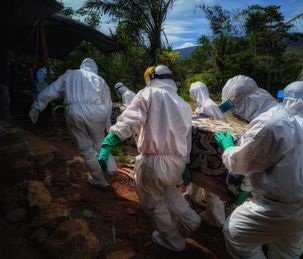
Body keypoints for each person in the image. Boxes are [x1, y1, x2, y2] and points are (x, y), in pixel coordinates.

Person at [214, 75, 303, 258]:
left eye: (232, 107)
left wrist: (228, 147)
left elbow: (239, 164)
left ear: (243, 103)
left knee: (235, 233)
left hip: (282, 209)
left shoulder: (269, 123)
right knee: (287, 250)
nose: (236, 114)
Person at [98, 65, 201, 251]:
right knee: (169, 191)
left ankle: (171, 240)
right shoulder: (184, 104)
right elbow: (187, 138)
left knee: (153, 203)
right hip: (176, 163)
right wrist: (185, 165)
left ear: (151, 78)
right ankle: (190, 220)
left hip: (153, 162)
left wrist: (108, 142)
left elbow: (129, 120)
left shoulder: (148, 94)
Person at [28, 58, 116, 187]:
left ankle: (99, 180)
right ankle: (111, 168)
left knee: (86, 148)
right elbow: (108, 106)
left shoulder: (69, 75)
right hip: (97, 111)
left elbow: (52, 90)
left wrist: (37, 106)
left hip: (73, 111)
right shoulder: (100, 80)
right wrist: (108, 127)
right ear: (95, 69)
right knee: (100, 143)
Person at [188, 81, 225, 227]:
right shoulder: (200, 105)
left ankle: (216, 219)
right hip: (200, 149)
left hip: (211, 151)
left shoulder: (209, 105)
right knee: (197, 177)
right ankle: (195, 199)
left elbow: (219, 125)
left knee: (211, 186)